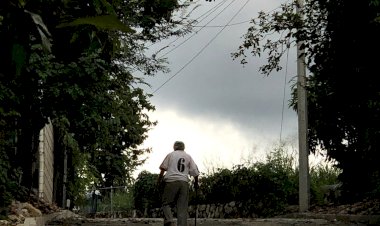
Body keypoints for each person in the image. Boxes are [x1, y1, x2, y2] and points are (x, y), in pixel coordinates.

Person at [157, 141, 199, 226]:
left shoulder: (171, 155)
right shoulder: (188, 156)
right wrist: (196, 183)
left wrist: (159, 180)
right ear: (183, 147)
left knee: (166, 203)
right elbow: (195, 171)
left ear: (174, 147)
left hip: (171, 181)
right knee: (182, 208)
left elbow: (163, 168)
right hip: (184, 182)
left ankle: (169, 219)